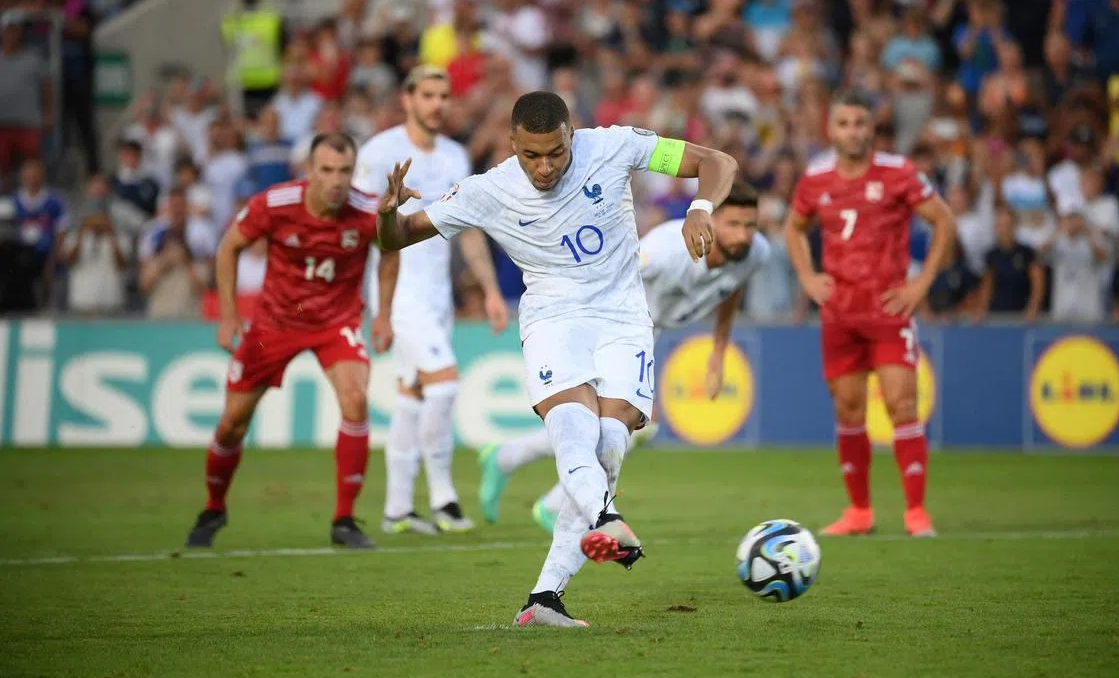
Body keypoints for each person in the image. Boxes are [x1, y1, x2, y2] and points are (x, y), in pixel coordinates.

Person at [376, 91, 736, 627]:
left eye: (556, 153)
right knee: (573, 427)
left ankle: (545, 599)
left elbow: (716, 161)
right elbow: (396, 239)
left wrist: (700, 207)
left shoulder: (612, 147)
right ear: (512, 144)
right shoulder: (487, 190)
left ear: (573, 136)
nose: (545, 167)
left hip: (623, 317)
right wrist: (386, 213)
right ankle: (605, 518)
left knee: (611, 447)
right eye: (532, 156)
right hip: (553, 318)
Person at [478, 181, 771, 531]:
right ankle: (553, 502)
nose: (743, 235)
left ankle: (508, 459)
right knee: (623, 423)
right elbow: (609, 272)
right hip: (610, 323)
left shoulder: (756, 253)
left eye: (750, 225)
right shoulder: (666, 250)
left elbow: (730, 285)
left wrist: (718, 353)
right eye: (733, 225)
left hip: (647, 330)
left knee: (621, 426)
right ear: (709, 220)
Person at [184, 132, 379, 550]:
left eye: (345, 171)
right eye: (326, 170)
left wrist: (384, 312)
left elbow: (393, 249)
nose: (336, 181)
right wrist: (229, 314)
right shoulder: (275, 204)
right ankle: (214, 506)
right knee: (232, 422)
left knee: (356, 399)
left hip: (336, 320)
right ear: (309, 171)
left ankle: (344, 519)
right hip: (274, 322)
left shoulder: (367, 210)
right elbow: (229, 247)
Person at [784, 89, 955, 538]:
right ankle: (859, 511)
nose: (852, 131)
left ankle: (916, 512)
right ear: (831, 128)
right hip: (840, 313)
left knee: (901, 402)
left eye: (860, 123)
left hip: (887, 309)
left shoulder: (899, 173)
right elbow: (793, 227)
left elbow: (944, 221)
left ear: (872, 128)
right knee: (848, 407)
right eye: (844, 123)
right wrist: (807, 275)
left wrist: (920, 284)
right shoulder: (816, 178)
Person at [354, 65, 508, 534]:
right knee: (443, 384)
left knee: (413, 395)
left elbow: (467, 231)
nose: (437, 103)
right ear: (407, 99)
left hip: (437, 294)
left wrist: (490, 289)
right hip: (396, 292)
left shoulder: (456, 157)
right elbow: (358, 227)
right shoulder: (379, 152)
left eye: (444, 96)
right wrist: (371, 306)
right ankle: (443, 498)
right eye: (427, 95)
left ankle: (397, 508)